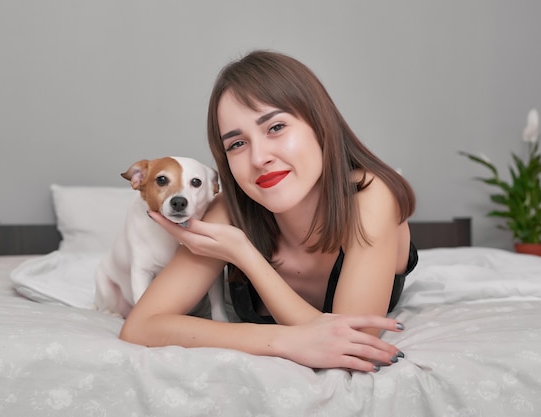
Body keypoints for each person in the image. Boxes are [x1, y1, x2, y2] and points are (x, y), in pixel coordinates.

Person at [120, 50, 417, 372]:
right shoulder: (231, 210)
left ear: (319, 124)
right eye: (237, 144)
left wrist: (245, 255)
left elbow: (354, 342)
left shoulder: (370, 194)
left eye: (275, 127)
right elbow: (142, 326)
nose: (259, 157)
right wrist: (284, 341)